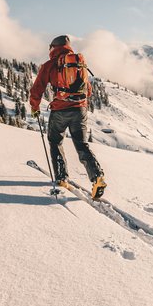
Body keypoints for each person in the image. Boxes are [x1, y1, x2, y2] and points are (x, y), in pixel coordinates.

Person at [29, 35, 106, 200]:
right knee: (82, 145)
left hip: (60, 111)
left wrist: (34, 107)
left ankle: (62, 178)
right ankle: (97, 177)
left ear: (53, 48)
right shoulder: (79, 64)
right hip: (80, 110)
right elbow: (89, 90)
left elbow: (37, 89)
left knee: (55, 142)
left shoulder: (50, 65)